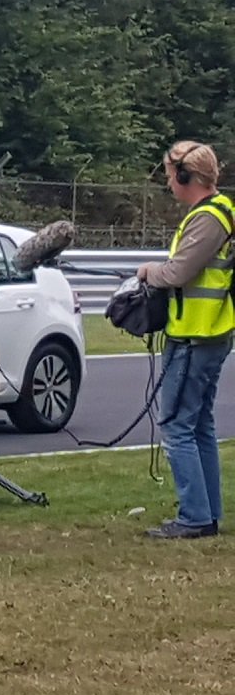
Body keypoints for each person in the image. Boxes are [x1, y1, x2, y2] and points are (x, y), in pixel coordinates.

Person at [136, 141, 233, 539]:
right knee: (198, 425)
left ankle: (195, 516)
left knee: (177, 425)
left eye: (169, 175)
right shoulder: (216, 213)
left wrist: (147, 272)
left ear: (184, 176)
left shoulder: (209, 218)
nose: (168, 183)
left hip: (197, 333)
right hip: (205, 330)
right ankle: (207, 513)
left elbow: (178, 273)